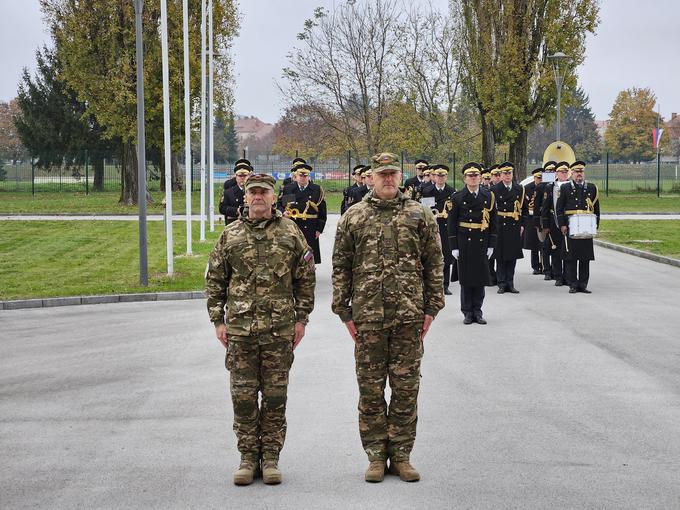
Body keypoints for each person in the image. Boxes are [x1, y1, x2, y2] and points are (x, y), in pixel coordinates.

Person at [332, 152, 444, 483]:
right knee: (370, 391)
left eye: (393, 174)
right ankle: (376, 457)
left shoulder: (419, 215)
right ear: (371, 177)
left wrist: (432, 308)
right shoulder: (354, 216)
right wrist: (344, 311)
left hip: (409, 318)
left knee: (406, 390)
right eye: (382, 174)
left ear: (400, 175)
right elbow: (341, 265)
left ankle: (403, 456)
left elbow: (434, 263)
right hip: (367, 319)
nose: (388, 179)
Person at [205, 173, 316, 486]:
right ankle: (247, 457)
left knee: (275, 398)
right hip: (240, 332)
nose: (257, 197)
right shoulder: (231, 235)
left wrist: (301, 319)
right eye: (253, 192)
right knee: (242, 398)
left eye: (263, 193)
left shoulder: (290, 232)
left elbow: (305, 280)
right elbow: (215, 280)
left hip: (279, 332)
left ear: (272, 197)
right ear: (245, 197)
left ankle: (270, 458)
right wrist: (218, 320)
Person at [448, 162, 497, 324]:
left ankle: (478, 310)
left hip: (481, 241)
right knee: (466, 279)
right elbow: (452, 223)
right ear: (465, 178)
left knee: (480, 278)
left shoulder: (488, 196)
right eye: (470, 176)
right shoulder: (457, 197)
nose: (474, 178)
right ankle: (467, 312)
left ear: (480, 177)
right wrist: (454, 247)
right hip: (464, 242)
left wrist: (491, 244)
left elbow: (494, 222)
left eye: (476, 175)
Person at [556, 161, 600, 293]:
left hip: (586, 228)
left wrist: (595, 226)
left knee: (585, 258)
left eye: (581, 172)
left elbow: (596, 209)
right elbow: (559, 208)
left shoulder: (591, 188)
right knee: (571, 258)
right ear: (572, 173)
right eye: (576, 172)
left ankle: (583, 284)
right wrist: (562, 224)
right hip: (571, 226)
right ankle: (573, 284)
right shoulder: (565, 188)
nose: (579, 175)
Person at [277, 164, 327, 264]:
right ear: (296, 176)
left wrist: (319, 229)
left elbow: (322, 211)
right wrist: (283, 212)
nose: (303, 178)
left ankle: (309, 271)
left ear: (309, 176)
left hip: (310, 226)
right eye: (301, 175)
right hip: (293, 224)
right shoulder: (289, 189)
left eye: (305, 176)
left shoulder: (316, 189)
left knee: (309, 252)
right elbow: (282, 205)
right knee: (292, 250)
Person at [421, 164, 457, 295]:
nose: (440, 178)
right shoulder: (427, 191)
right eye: (438, 175)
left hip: (446, 226)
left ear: (446, 177)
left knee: (446, 256)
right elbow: (425, 210)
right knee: (430, 255)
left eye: (443, 176)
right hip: (432, 226)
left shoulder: (452, 192)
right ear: (434, 176)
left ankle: (445, 285)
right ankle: (431, 285)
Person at [491, 162, 527, 294]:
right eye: (505, 173)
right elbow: (491, 211)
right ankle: (501, 284)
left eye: (509, 173)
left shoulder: (519, 189)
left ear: (512, 174)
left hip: (514, 225)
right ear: (500, 175)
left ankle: (510, 283)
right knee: (500, 256)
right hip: (500, 224)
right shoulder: (494, 189)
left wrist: (522, 224)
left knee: (512, 256)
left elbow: (524, 209)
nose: (507, 176)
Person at [540, 161, 571, 287]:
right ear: (556, 173)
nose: (564, 174)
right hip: (554, 222)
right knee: (556, 250)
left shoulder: (571, 185)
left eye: (566, 172)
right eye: (561, 172)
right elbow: (545, 207)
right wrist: (546, 225)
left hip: (569, 221)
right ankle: (558, 276)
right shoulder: (550, 187)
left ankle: (568, 276)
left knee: (569, 250)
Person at [533, 161, 557, 280]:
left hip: (555, 219)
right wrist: (537, 222)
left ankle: (556, 270)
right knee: (546, 245)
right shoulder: (541, 187)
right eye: (549, 171)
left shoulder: (558, 185)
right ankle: (546, 269)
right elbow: (537, 206)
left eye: (553, 171)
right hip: (544, 218)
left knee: (556, 245)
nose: (551, 173)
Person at [523, 167, 543, 274]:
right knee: (534, 243)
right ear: (534, 178)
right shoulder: (527, 188)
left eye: (541, 178)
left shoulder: (545, 187)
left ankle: (544, 265)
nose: (539, 180)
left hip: (542, 216)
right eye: (537, 178)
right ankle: (535, 266)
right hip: (531, 217)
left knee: (543, 242)